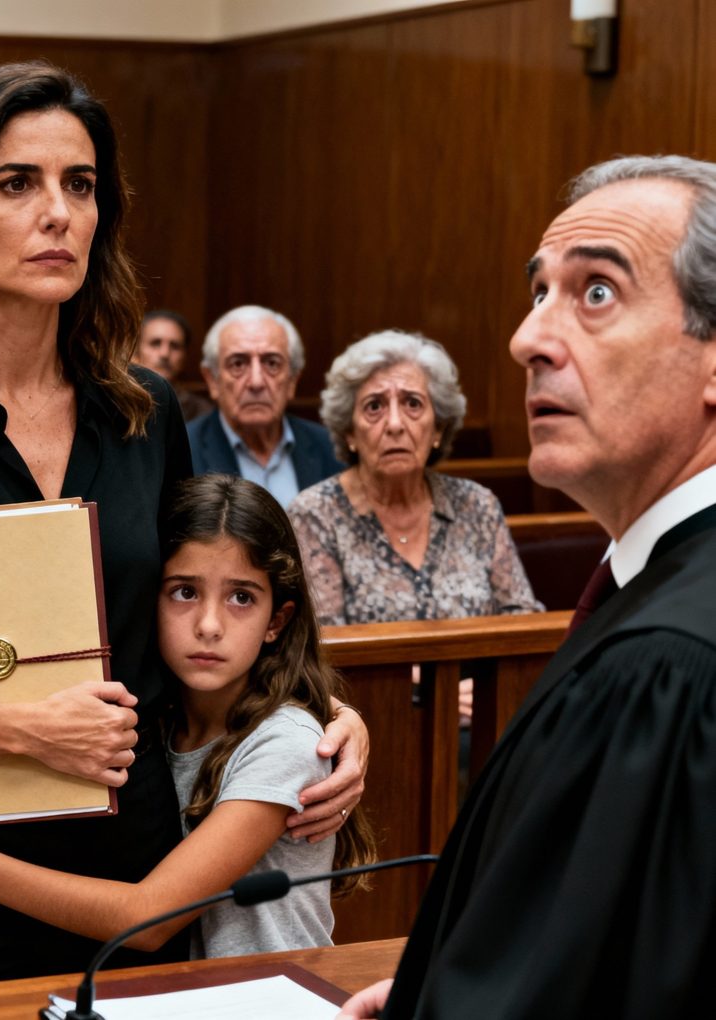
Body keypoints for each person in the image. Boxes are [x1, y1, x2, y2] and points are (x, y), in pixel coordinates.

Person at [0, 60, 366, 996]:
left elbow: (196, 614)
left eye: (79, 186)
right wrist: (21, 730)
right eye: (18, 184)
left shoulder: (143, 412)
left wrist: (327, 719)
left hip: (129, 884)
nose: (58, 213)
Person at [338, 154, 716, 1020]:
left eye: (596, 293)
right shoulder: (654, 601)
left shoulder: (666, 666)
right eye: (539, 292)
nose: (527, 338)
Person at [0, 475, 377, 958]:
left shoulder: (284, 744)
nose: (209, 624)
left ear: (277, 621)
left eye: (241, 597)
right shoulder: (155, 718)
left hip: (272, 998)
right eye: (184, 592)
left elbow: (148, 919)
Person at [288, 330, 541, 626]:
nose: (395, 424)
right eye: (374, 406)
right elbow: (324, 640)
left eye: (413, 404)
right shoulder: (315, 514)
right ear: (350, 433)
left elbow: (522, 616)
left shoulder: (477, 505)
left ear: (438, 429)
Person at [188, 305, 342, 508]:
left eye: (272, 363)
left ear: (293, 380)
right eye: (238, 364)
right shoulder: (184, 452)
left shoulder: (330, 448)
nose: (256, 382)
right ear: (212, 380)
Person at [132, 309, 213, 422]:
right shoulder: (117, 403)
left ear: (185, 356)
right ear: (135, 353)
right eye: (155, 343)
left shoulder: (203, 413)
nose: (165, 354)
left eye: (175, 346)